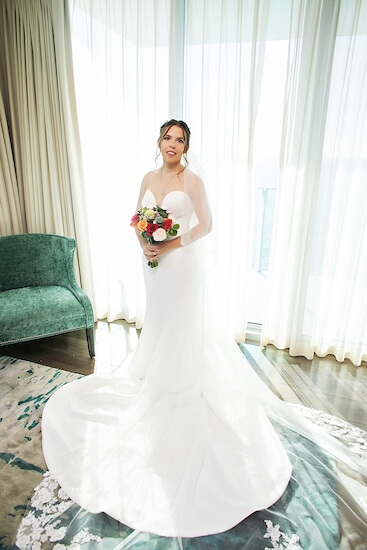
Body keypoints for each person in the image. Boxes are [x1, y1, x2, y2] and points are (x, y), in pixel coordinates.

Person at [27, 121, 367, 548]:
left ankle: (181, 385)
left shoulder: (194, 180)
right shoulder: (149, 178)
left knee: (180, 325)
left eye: (180, 140)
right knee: (159, 321)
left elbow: (205, 226)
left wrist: (166, 246)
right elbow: (137, 216)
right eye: (168, 138)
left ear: (187, 146)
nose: (173, 145)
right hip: (152, 262)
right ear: (158, 142)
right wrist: (144, 244)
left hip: (180, 263)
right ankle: (154, 375)